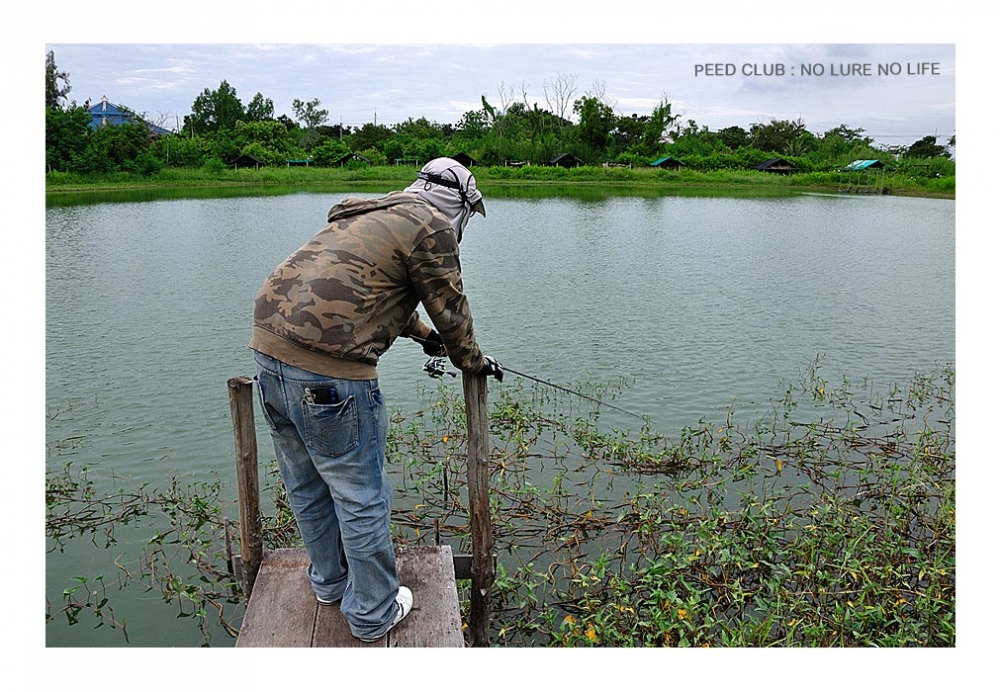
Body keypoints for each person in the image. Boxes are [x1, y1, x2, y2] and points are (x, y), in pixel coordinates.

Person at [249, 157, 503, 642]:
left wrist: (423, 336)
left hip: (269, 354)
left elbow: (361, 290)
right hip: (329, 373)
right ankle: (372, 613)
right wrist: (470, 360)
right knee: (361, 498)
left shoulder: (374, 212)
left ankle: (330, 584)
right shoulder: (431, 226)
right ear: (459, 204)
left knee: (306, 485)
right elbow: (451, 310)